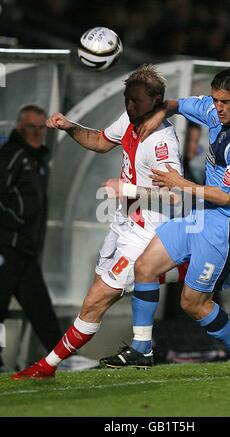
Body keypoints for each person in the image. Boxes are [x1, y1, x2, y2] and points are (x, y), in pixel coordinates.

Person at [12, 64, 183, 379]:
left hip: (145, 232)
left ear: (157, 100)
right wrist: (69, 126)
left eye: (137, 101)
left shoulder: (162, 141)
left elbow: (174, 195)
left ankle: (47, 365)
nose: (130, 106)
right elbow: (101, 141)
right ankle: (144, 342)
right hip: (122, 224)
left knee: (97, 298)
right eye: (126, 99)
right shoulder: (130, 121)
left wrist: (127, 188)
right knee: (96, 293)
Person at [100, 68, 230, 379]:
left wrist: (178, 182)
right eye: (216, 99)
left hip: (226, 225)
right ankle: (142, 348)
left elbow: (224, 197)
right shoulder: (211, 109)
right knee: (145, 267)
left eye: (226, 102)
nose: (218, 108)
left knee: (193, 303)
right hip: (199, 213)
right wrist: (157, 114)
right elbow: (175, 104)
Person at [0, 104, 98, 372]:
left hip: (25, 251)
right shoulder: (11, 155)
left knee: (41, 310)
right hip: (7, 246)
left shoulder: (37, 160)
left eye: (41, 127)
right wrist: (16, 224)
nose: (36, 133)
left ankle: (64, 358)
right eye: (31, 127)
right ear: (20, 128)